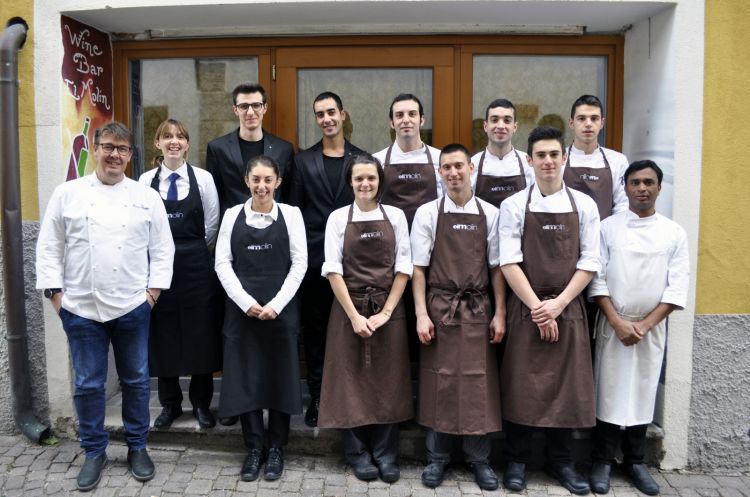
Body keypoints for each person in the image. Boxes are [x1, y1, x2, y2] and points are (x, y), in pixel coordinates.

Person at [36, 121, 174, 492]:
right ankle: (93, 451)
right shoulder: (68, 193)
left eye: (123, 149)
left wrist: (152, 295)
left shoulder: (146, 197)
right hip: (80, 307)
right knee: (87, 384)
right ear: (95, 148)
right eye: (109, 146)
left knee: (136, 381)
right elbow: (49, 246)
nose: (115, 155)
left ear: (131, 155)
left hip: (132, 305)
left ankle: (137, 446)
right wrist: (56, 296)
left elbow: (162, 249)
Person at [498, 126, 601, 495]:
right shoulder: (513, 206)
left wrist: (558, 305)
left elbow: (590, 261)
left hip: (569, 308)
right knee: (522, 384)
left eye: (554, 155)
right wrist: (538, 309)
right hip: (526, 307)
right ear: (529, 161)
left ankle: (562, 463)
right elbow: (508, 261)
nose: (547, 161)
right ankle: (516, 460)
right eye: (540, 155)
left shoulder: (585, 205)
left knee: (565, 388)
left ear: (565, 158)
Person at [588, 160, 689, 496]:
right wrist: (617, 321)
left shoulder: (674, 233)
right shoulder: (608, 228)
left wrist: (644, 325)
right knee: (608, 392)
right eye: (635, 182)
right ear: (625, 187)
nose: (642, 188)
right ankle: (601, 461)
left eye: (648, 182)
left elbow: (676, 288)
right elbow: (597, 279)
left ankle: (634, 462)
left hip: (650, 327)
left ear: (659, 187)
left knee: (642, 393)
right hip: (612, 324)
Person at [410, 143, 504, 491]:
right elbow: (418, 269)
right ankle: (437, 459)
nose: (453, 173)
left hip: (479, 309)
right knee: (440, 381)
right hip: (440, 309)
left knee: (477, 383)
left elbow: (497, 269)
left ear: (471, 169)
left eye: (458, 166)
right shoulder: (428, 214)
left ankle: (480, 460)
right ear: (439, 172)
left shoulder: (491, 214)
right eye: (446, 167)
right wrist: (421, 314)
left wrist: (501, 314)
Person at [318, 154, 413, 483]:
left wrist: (386, 312)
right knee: (350, 381)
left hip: (390, 310)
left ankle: (387, 454)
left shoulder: (397, 217)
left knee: (390, 381)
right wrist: (355, 316)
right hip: (349, 310)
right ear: (350, 182)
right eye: (358, 178)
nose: (365, 184)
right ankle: (357, 453)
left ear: (379, 181)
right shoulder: (337, 219)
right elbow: (332, 270)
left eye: (371, 178)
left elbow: (404, 267)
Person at [214, 155, 307, 482]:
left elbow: (300, 264)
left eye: (268, 180)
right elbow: (222, 263)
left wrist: (277, 304)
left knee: (279, 377)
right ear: (247, 181)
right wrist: (245, 302)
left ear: (278, 181)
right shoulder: (231, 216)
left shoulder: (292, 215)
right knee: (246, 379)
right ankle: (254, 448)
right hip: (242, 313)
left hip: (281, 311)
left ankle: (277, 448)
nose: (262, 186)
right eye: (256, 180)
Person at [138, 119, 222, 430]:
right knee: (163, 335)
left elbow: (211, 226)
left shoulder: (203, 179)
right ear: (157, 143)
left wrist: (192, 251)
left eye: (180, 137)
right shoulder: (145, 181)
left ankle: (201, 404)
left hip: (196, 266)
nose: (174, 142)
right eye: (167, 137)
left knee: (201, 334)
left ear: (187, 144)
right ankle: (170, 404)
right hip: (159, 267)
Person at [288, 91, 365, 427]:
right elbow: (293, 212)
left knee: (354, 330)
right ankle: (318, 398)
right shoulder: (302, 161)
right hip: (315, 261)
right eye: (320, 114)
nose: (327, 119)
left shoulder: (363, 160)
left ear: (343, 114)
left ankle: (355, 398)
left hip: (358, 263)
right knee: (316, 333)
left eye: (332, 112)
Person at [206, 82, 294, 214]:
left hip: (273, 226)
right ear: (235, 110)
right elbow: (214, 196)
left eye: (256, 105)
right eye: (244, 106)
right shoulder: (217, 148)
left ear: (264, 108)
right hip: (234, 226)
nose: (250, 112)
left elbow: (288, 195)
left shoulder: (284, 149)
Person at [373, 93, 442, 227]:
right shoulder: (377, 160)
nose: (406, 120)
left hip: (431, 236)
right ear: (392, 123)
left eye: (412, 114)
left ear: (422, 120)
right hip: (391, 238)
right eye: (399, 115)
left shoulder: (439, 159)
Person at [565, 94, 628, 221]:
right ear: (571, 123)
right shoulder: (559, 159)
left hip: (604, 237)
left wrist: (609, 233)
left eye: (594, 118)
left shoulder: (618, 161)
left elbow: (623, 205)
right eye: (581, 118)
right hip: (566, 238)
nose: (588, 124)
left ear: (602, 123)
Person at [471, 98, 534, 206]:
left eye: (507, 120)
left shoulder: (529, 164)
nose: (500, 126)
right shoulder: (472, 165)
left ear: (515, 127)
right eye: (494, 120)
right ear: (485, 126)